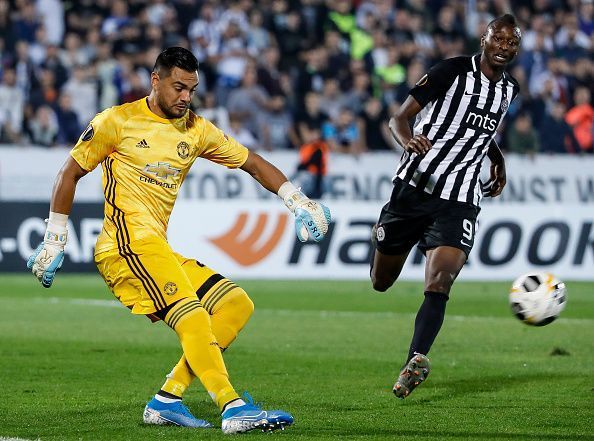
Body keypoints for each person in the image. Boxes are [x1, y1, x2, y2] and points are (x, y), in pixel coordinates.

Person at [26, 47, 331, 433]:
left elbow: (252, 162)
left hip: (156, 247)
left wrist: (296, 200)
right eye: (178, 87)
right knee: (193, 315)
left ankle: (167, 399)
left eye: (192, 88)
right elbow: (68, 173)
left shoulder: (196, 129)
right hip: (124, 248)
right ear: (156, 81)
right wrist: (55, 238)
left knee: (236, 304)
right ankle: (232, 407)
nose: (186, 96)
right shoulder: (116, 122)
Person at [370, 15, 521, 399]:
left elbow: (480, 131)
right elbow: (398, 117)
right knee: (381, 281)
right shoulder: (450, 71)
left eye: (512, 42)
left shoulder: (509, 90)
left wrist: (497, 159)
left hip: (460, 199)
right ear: (484, 39)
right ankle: (387, 242)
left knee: (440, 281)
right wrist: (407, 141)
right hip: (414, 188)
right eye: (498, 39)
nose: (505, 46)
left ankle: (414, 360)